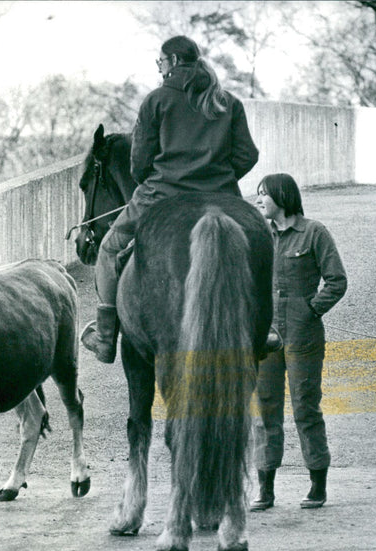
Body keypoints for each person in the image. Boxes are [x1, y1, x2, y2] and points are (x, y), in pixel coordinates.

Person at [80, 35, 259, 363]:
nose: (159, 67)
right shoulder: (229, 102)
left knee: (108, 248)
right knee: (265, 240)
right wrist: (217, 177)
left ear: (174, 62)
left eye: (160, 61)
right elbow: (248, 155)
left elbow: (139, 165)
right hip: (221, 197)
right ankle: (268, 328)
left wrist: (165, 178)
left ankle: (106, 339)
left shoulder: (156, 101)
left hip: (162, 196)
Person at [250, 173, 347, 511]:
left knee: (305, 406)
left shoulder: (314, 232)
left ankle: (317, 485)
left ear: (282, 196)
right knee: (264, 408)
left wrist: (310, 310)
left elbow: (337, 280)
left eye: (264, 194)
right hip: (265, 334)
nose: (258, 199)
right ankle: (265, 489)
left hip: (302, 333)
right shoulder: (259, 236)